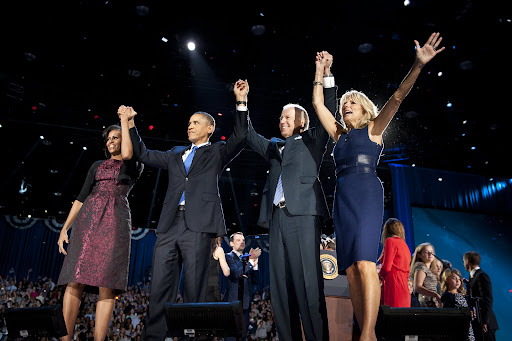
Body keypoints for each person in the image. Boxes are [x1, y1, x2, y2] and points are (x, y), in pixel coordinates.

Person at [313, 33, 445, 340]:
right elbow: (318, 102)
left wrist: (418, 64)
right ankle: (366, 331)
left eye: (352, 103)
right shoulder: (338, 135)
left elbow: (398, 96)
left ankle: (368, 334)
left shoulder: (374, 129)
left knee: (364, 262)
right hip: (343, 197)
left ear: (364, 110)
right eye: (344, 103)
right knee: (350, 270)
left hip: (366, 195)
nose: (346, 105)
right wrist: (321, 72)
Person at [126, 99, 248, 340]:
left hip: (199, 225)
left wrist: (241, 103)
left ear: (210, 128)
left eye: (196, 123)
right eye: (189, 123)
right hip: (169, 224)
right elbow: (142, 153)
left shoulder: (217, 151)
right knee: (160, 287)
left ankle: (192, 337)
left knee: (194, 287)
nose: (190, 126)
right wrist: (130, 123)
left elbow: (240, 136)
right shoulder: (175, 154)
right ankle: (154, 337)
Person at [235, 52, 337, 341]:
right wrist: (242, 102)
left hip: (303, 215)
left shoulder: (313, 140)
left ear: (300, 121)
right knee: (280, 286)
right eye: (280, 117)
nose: (281, 120)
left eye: (287, 116)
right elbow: (246, 133)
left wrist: (324, 73)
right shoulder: (274, 147)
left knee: (308, 283)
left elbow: (328, 108)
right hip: (276, 218)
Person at [56, 106, 143, 341]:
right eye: (108, 139)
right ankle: (65, 338)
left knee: (107, 282)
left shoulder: (134, 164)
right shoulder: (96, 166)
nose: (110, 141)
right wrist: (65, 228)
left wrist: (125, 121)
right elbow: (81, 197)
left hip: (114, 222)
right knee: (74, 279)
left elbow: (127, 154)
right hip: (87, 222)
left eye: (116, 138)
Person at [224, 232, 261, 341]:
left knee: (243, 336)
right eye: (238, 240)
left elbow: (256, 280)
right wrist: (250, 261)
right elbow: (235, 274)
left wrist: (255, 264)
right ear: (231, 243)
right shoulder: (228, 257)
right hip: (233, 303)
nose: (242, 242)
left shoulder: (247, 258)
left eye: (243, 240)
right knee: (231, 336)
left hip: (245, 303)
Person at [463, 251, 499, 341]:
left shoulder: (482, 276)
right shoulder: (474, 276)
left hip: (485, 323)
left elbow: (487, 299)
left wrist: (485, 321)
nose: (463, 263)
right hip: (479, 321)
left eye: (463, 261)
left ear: (467, 261)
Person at [378, 218, 411, 307]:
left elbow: (387, 267)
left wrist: (378, 275)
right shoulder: (405, 246)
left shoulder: (390, 241)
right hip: (404, 286)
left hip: (393, 284)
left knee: (391, 316)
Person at [441, 268, 475, 341]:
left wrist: (472, 312)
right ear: (446, 280)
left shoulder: (464, 295)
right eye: (454, 278)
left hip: (467, 326)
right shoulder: (447, 295)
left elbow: (469, 307)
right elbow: (448, 312)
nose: (457, 281)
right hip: (457, 326)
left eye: (459, 279)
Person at [410, 242, 442, 307]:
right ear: (419, 255)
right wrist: (435, 294)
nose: (430, 254)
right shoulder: (421, 268)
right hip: (427, 301)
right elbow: (417, 287)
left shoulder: (429, 269)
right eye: (426, 252)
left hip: (432, 300)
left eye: (431, 251)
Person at [206, 237, 231, 302]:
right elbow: (226, 272)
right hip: (213, 289)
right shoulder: (218, 250)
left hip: (199, 287)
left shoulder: (197, 249)